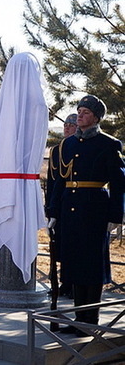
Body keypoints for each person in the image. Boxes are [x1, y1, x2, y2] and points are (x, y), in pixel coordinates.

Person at [47, 95, 125, 336]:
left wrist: (115, 215)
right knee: (73, 263)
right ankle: (79, 317)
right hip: (70, 210)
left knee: (91, 266)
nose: (80, 116)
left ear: (97, 118)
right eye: (79, 111)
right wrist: (53, 211)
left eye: (86, 113)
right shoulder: (68, 145)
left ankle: (90, 319)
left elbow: (119, 183)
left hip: (95, 210)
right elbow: (61, 181)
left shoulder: (109, 144)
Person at [46, 113, 77, 298]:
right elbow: (52, 181)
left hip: (77, 202)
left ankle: (74, 285)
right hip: (61, 203)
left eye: (71, 125)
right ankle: (63, 284)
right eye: (65, 124)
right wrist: (50, 207)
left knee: (74, 247)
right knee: (61, 246)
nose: (67, 127)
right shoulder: (56, 150)